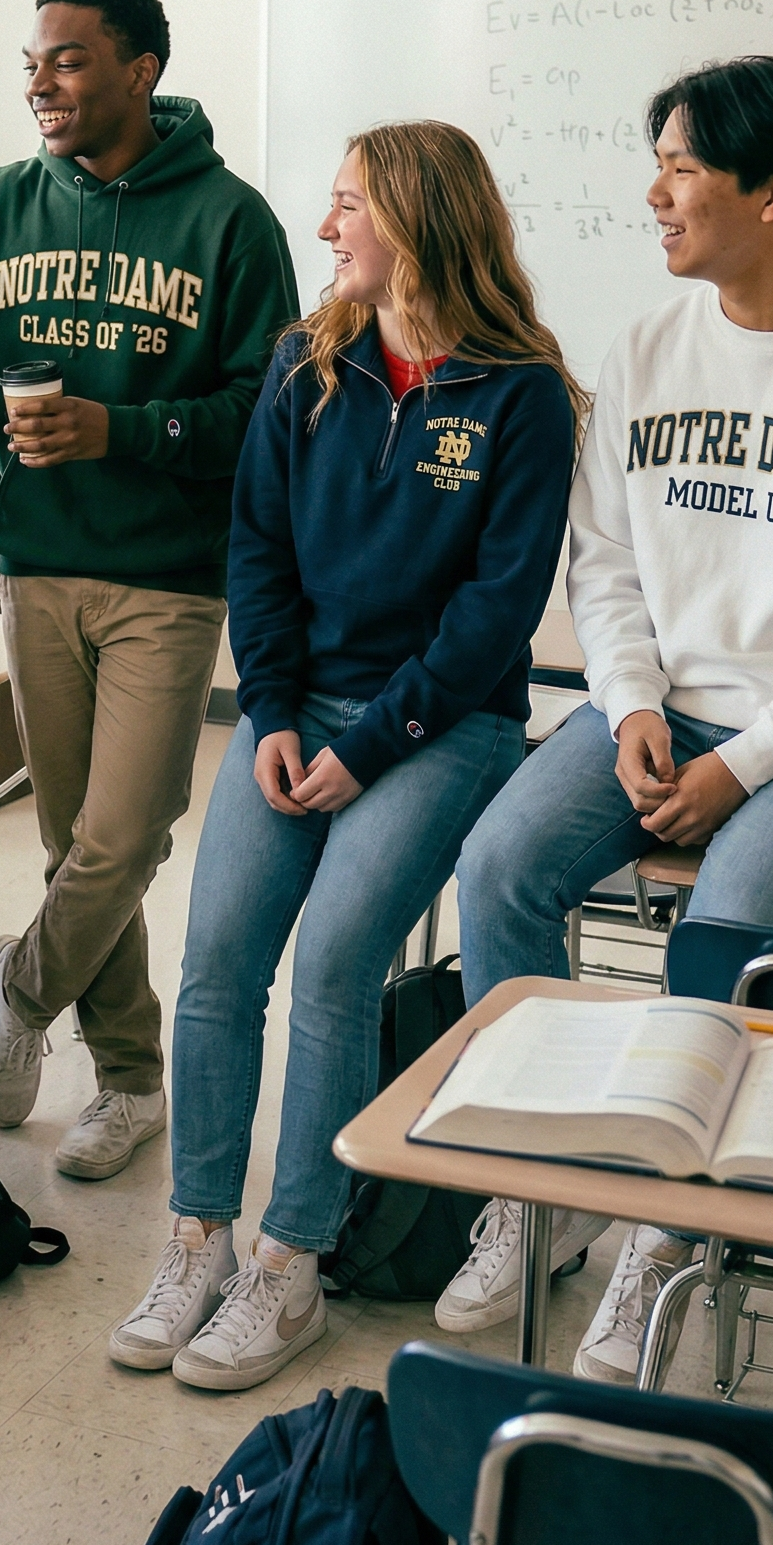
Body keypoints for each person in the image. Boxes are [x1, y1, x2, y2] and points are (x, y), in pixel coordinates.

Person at [448, 55, 773, 1381]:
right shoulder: (644, 352)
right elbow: (607, 563)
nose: (655, 193)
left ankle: (659, 1246)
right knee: (498, 868)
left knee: (724, 929)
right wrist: (629, 705)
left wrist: (744, 763)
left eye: (682, 166)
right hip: (660, 712)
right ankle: (539, 1197)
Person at [108, 123, 580, 1389]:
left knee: (330, 965)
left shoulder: (519, 394)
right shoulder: (302, 365)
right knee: (212, 963)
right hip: (289, 712)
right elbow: (253, 550)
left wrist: (366, 746)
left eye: (345, 205)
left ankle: (289, 1262)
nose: (327, 229)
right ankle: (198, 1234)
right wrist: (266, 715)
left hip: (444, 724)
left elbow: (494, 612)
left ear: (416, 221)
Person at [0, 0, 298, 1179]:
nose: (40, 81)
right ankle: (131, 1079)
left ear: (140, 71)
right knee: (68, 837)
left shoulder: (230, 222)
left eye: (70, 60)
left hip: (168, 578)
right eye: (31, 61)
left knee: (125, 834)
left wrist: (121, 432)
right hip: (33, 568)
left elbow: (264, 409)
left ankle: (23, 983)